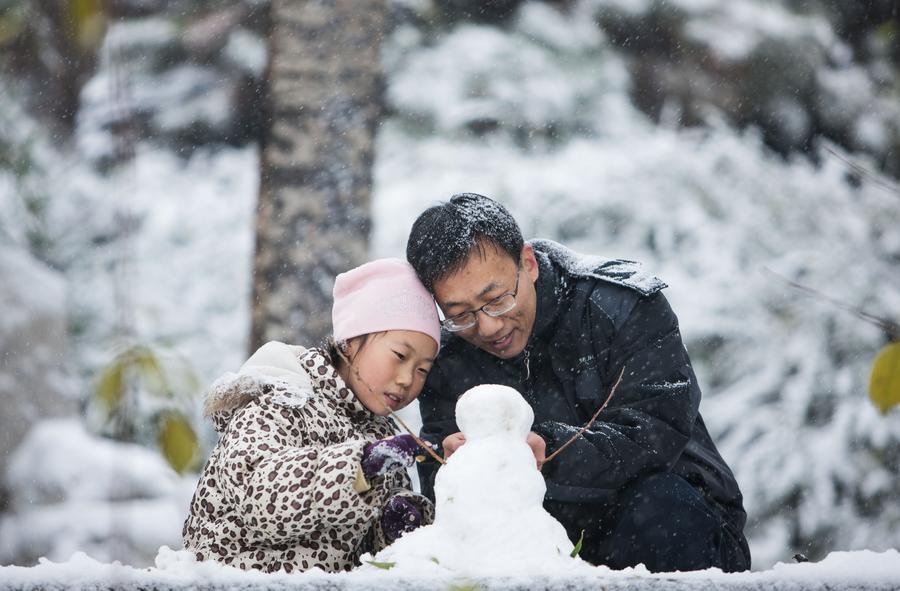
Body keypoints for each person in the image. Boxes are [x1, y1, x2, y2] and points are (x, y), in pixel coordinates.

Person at [406, 193, 751, 573]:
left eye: (497, 299)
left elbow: (657, 432)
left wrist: (545, 451)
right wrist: (451, 461)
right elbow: (437, 469)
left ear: (528, 263)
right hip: (533, 543)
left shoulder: (621, 306)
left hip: (673, 522)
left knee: (658, 506)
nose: (488, 326)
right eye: (461, 314)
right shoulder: (447, 352)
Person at [182, 259, 440, 573]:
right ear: (350, 340)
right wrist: (358, 467)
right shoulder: (282, 399)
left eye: (422, 370)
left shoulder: (381, 436)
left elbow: (359, 551)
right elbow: (260, 497)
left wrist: (393, 523)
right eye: (400, 356)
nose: (407, 379)